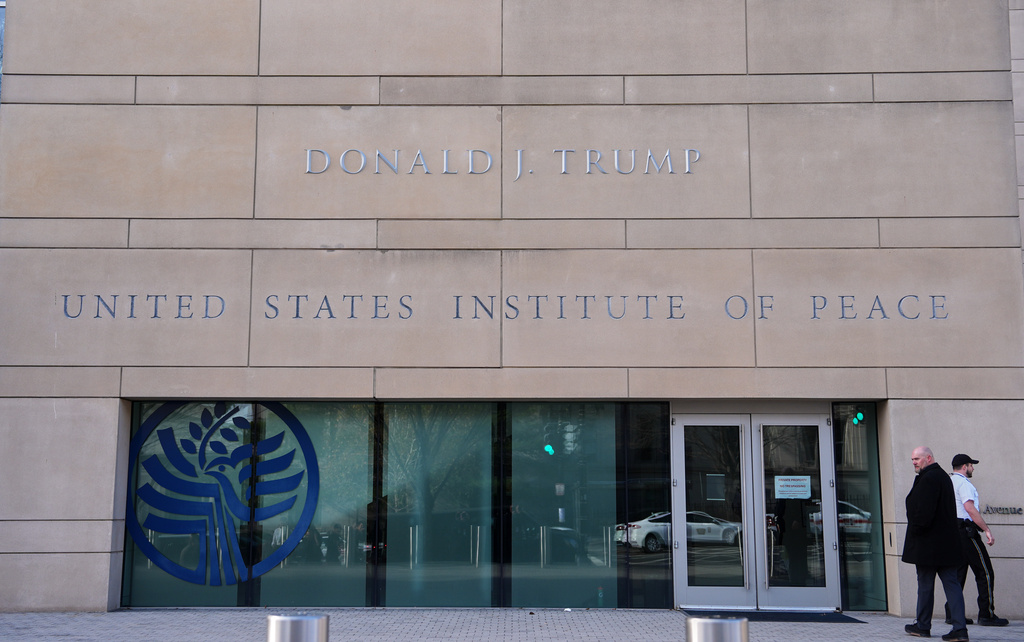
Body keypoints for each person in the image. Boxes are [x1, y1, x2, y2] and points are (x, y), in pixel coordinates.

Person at [902, 446, 968, 641]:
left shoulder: (929, 478)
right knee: (952, 585)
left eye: (917, 459)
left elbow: (922, 513)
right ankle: (960, 628)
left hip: (928, 545)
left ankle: (923, 625)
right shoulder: (942, 477)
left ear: (928, 458)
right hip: (946, 544)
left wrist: (916, 531)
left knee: (925, 585)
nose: (914, 462)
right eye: (912, 459)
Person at [942, 454, 1009, 627]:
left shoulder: (948, 482)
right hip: (966, 532)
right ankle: (986, 614)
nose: (973, 468)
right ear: (964, 466)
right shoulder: (964, 484)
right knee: (985, 572)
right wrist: (986, 530)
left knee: (958, 575)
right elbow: (970, 509)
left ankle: (953, 614)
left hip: (952, 532)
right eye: (971, 465)